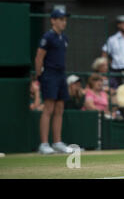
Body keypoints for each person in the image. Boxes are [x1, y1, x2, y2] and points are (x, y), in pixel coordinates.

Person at [35, 9, 73, 155]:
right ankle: (44, 144)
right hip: (49, 75)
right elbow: (39, 58)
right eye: (61, 19)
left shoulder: (64, 38)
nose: (64, 22)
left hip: (61, 75)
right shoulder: (48, 37)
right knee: (48, 108)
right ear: (53, 20)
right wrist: (39, 76)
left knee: (59, 109)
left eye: (65, 19)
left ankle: (57, 142)